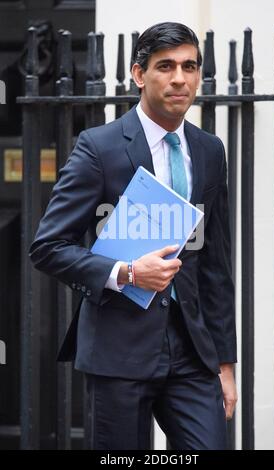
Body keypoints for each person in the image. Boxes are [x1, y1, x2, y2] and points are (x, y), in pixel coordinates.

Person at [29, 22, 237, 450]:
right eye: (166, 66)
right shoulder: (99, 147)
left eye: (189, 66)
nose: (180, 78)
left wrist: (225, 362)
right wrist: (125, 273)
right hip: (118, 348)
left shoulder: (210, 151)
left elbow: (215, 264)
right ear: (139, 75)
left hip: (193, 352)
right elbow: (48, 247)